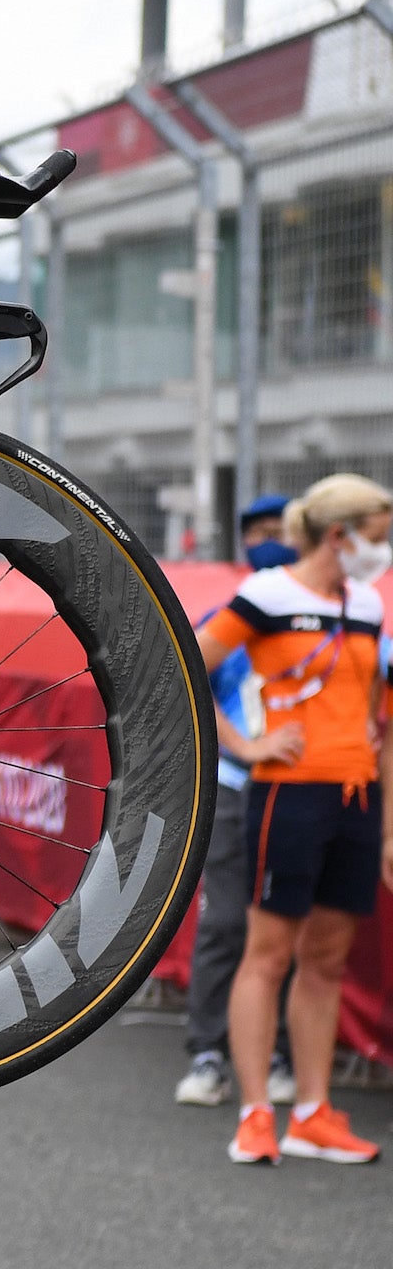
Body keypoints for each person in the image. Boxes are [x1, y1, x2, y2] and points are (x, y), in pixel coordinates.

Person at [195, 473, 393, 1165]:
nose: (383, 546)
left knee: (328, 959)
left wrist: (389, 820)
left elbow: (378, 714)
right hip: (289, 795)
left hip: (357, 795)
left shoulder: (367, 603)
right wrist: (248, 744)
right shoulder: (268, 595)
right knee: (268, 952)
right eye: (376, 533)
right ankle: (255, 1113)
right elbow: (190, 663)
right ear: (338, 534)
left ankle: (311, 1111)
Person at [174, 494, 303, 1107]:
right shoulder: (228, 616)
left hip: (298, 791)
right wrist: (247, 749)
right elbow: (192, 685)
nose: (271, 539)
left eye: (283, 530)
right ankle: (206, 1051)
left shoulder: (320, 616)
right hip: (232, 788)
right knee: (224, 920)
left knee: (284, 927)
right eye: (260, 531)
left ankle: (277, 1051)